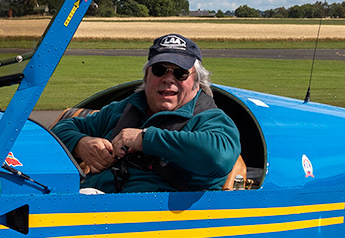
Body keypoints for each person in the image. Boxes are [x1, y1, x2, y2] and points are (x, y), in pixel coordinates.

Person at [52, 33, 240, 193]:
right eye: (159, 70)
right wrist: (80, 144)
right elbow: (60, 129)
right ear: (146, 77)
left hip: (157, 223)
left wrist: (145, 139)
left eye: (180, 73)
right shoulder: (124, 108)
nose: (168, 79)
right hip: (94, 207)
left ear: (197, 82)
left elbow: (219, 156)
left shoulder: (210, 118)